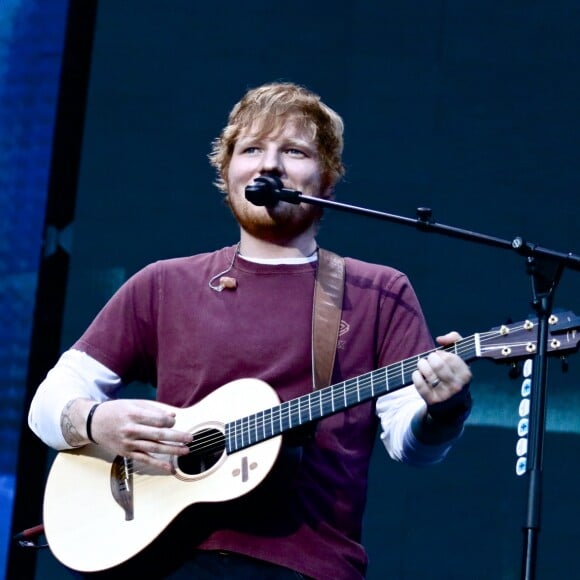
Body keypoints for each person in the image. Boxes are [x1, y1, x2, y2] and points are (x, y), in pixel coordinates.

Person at [28, 81, 473, 579]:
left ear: (326, 180)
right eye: (253, 149)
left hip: (305, 565)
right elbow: (47, 406)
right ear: (228, 171)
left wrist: (445, 410)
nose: (270, 165)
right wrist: (97, 422)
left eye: (294, 151)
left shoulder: (379, 291)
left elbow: (411, 447)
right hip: (164, 560)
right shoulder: (164, 283)